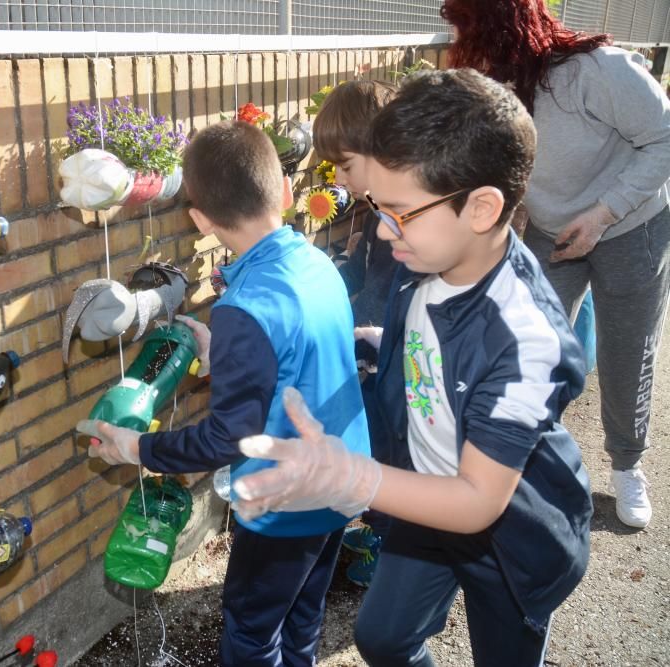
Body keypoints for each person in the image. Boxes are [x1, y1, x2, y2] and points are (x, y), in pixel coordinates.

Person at [231, 69, 592, 666]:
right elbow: (423, 338)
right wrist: (370, 341)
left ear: (481, 208)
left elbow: (478, 499)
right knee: (383, 638)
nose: (380, 227)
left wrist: (352, 478)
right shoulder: (429, 253)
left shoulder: (526, 340)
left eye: (399, 211)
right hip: (425, 510)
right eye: (380, 206)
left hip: (508, 544)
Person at [78, 120, 369, 667]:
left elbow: (228, 438)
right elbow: (297, 357)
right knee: (302, 613)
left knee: (252, 629)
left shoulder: (245, 306)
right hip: (342, 476)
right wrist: (224, 353)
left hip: (289, 502)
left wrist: (134, 448)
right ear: (282, 191)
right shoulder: (314, 263)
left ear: (201, 219)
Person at [441, 0, 670, 529]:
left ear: (496, 30)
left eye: (465, 30)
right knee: (531, 349)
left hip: (631, 225)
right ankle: (530, 461)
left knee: (627, 350)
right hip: (554, 232)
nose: (458, 45)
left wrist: (603, 213)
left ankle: (628, 465)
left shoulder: (600, 69)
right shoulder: (495, 88)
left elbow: (662, 138)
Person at [313, 79, 398, 587]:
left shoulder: (406, 218)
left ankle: (391, 545)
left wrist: (376, 334)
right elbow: (361, 275)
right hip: (369, 351)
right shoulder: (375, 211)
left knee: (389, 450)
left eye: (346, 165)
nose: (342, 179)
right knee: (370, 446)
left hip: (391, 357)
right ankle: (377, 526)